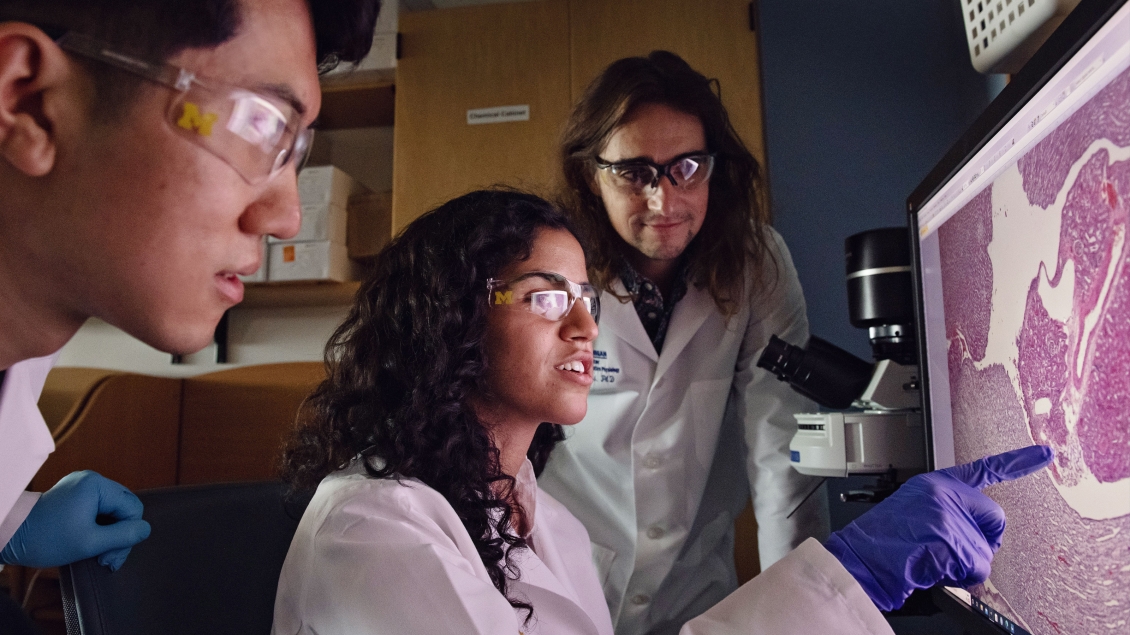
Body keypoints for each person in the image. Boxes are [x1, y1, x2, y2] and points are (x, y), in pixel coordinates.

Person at [271, 188, 1054, 635]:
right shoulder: (371, 530)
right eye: (547, 297)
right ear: (447, 314)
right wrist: (844, 574)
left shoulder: (541, 520)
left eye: (585, 296)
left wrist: (838, 577)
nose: (584, 326)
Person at [0, 0, 380, 626]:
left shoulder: (27, 347)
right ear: (29, 102)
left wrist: (13, 517)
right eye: (260, 125)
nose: (286, 217)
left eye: (295, 151)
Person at [540, 50, 825, 633]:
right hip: (554, 584)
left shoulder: (756, 265)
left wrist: (800, 616)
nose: (663, 201)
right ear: (591, 175)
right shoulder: (550, 268)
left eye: (686, 168)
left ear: (714, 168)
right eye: (634, 172)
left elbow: (782, 455)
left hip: (692, 595)